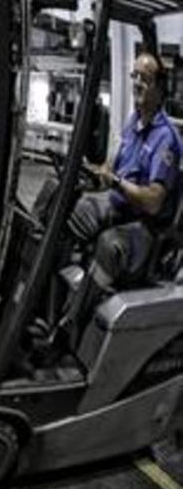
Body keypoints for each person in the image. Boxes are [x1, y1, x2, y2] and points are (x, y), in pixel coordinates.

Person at [56, 51, 182, 342]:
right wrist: (99, 172)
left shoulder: (166, 139)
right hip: (119, 207)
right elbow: (113, 166)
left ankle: (72, 324)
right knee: (60, 201)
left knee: (107, 243)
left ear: (160, 88)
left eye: (145, 78)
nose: (137, 83)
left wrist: (116, 182)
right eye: (134, 76)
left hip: (145, 227)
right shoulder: (132, 124)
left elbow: (153, 201)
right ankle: (48, 297)